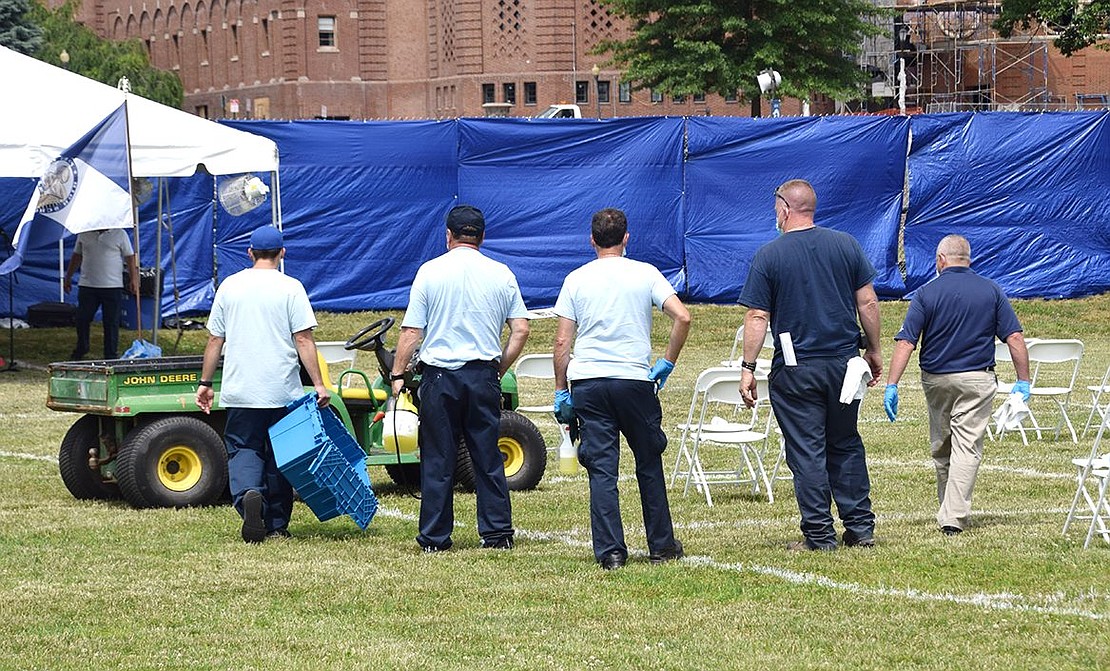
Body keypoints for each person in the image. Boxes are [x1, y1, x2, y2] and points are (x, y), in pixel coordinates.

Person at [738, 179, 882, 551]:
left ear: (784, 209)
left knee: (807, 450)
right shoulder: (846, 245)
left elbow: (757, 316)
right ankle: (860, 527)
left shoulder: (770, 255)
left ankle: (819, 534)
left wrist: (748, 366)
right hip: (844, 364)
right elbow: (867, 303)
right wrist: (875, 350)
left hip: (797, 367)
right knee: (846, 442)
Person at [553, 208, 691, 570]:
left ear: (592, 240)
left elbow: (562, 343)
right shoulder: (645, 274)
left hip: (589, 381)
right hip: (633, 379)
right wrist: (668, 361)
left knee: (602, 469)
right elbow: (683, 316)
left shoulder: (576, 279)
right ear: (627, 238)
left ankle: (612, 552)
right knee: (649, 461)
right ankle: (661, 544)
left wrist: (560, 390)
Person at [391, 205, 530, 553]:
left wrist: (398, 372)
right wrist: (500, 366)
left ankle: (435, 538)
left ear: (448, 235)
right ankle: (497, 534)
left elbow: (411, 331)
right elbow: (521, 328)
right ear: (482, 237)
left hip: (440, 377)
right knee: (486, 455)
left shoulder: (430, 272)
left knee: (439, 457)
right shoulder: (501, 273)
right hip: (483, 374)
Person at [884, 234, 1031, 536]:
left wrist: (892, 384)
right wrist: (1023, 381)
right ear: (969, 259)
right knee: (967, 448)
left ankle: (949, 510)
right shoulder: (991, 290)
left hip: (936, 380)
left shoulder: (926, 293)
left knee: (942, 446)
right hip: (977, 379)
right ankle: (953, 515)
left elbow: (906, 342)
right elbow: (1014, 337)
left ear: (940, 260)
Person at [195, 225, 330, 543]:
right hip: (282, 389)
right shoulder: (291, 287)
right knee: (281, 453)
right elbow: (303, 339)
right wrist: (319, 384)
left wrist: (205, 382)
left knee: (244, 448)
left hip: (242, 389)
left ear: (250, 253)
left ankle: (249, 495)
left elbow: (216, 339)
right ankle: (277, 524)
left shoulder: (230, 286)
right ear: (282, 253)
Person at [64, 228, 140, 360]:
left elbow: (130, 257)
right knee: (82, 319)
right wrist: (68, 277)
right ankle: (82, 347)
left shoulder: (120, 233)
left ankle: (110, 354)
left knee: (111, 322)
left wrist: (134, 278)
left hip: (112, 286)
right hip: (87, 285)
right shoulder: (84, 233)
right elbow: (77, 256)